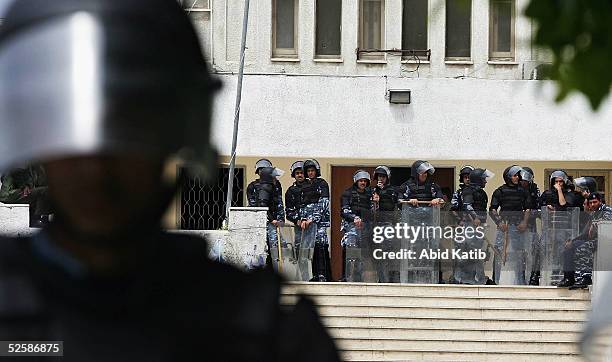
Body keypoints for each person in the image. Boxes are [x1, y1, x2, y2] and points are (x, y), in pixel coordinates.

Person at [0, 1, 339, 360]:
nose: (97, 170)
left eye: (127, 135)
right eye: (71, 136)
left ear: (171, 137)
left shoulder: (261, 332)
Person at [559, 193, 612, 288]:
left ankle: (586, 277)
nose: (592, 205)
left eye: (595, 202)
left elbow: (606, 228)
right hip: (596, 239)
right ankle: (569, 278)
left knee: (583, 248)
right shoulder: (594, 213)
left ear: (600, 201)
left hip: (606, 241)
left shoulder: (607, 211)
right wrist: (573, 241)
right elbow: (586, 234)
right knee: (569, 248)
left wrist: (595, 228)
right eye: (590, 203)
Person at [489, 165, 531, 285]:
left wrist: (524, 222)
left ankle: (520, 282)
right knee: (498, 252)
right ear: (508, 177)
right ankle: (496, 281)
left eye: (518, 175)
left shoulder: (523, 191)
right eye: (514, 175)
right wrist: (499, 222)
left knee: (520, 254)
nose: (517, 177)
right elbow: (492, 209)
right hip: (504, 226)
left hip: (518, 226)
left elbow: (528, 208)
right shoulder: (500, 191)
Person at [454, 168, 494, 285]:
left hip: (478, 227)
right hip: (470, 226)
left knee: (477, 252)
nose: (485, 181)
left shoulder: (482, 193)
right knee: (470, 252)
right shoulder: (468, 191)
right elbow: (467, 205)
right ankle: (465, 279)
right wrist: (475, 218)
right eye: (483, 179)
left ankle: (478, 278)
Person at [247, 159, 286, 265]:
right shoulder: (259, 187)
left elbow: (279, 203)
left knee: (275, 248)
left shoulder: (274, 186)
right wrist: (272, 219)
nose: (275, 178)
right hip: (261, 224)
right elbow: (260, 207)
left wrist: (281, 219)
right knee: (262, 248)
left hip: (273, 223)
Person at [300, 159, 332, 281]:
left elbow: (324, 202)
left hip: (319, 222)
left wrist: (313, 219)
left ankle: (323, 274)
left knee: (321, 246)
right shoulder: (305, 185)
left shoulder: (322, 183)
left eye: (312, 170)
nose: (310, 173)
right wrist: (303, 218)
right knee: (310, 248)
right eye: (308, 171)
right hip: (307, 223)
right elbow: (302, 204)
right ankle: (312, 274)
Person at [340, 170, 373, 282]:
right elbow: (344, 210)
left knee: (363, 253)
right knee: (351, 251)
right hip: (351, 225)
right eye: (361, 181)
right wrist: (354, 218)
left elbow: (374, 212)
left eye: (365, 181)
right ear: (356, 181)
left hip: (366, 227)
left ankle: (359, 277)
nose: (363, 183)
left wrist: (376, 202)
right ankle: (348, 277)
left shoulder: (370, 194)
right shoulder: (348, 193)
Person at [371, 165, 401, 282]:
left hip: (391, 225)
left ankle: (392, 279)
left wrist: (383, 192)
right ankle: (382, 279)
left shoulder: (393, 190)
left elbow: (396, 205)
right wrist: (377, 194)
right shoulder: (373, 190)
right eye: (379, 176)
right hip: (376, 225)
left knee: (391, 253)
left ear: (387, 177)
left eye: (383, 176)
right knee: (379, 253)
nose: (380, 179)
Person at [285, 160, 305, 247]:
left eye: (302, 173)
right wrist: (297, 220)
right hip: (299, 225)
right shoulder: (290, 191)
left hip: (312, 224)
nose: (300, 175)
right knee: (299, 248)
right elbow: (289, 211)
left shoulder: (313, 187)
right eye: (297, 173)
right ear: (294, 175)